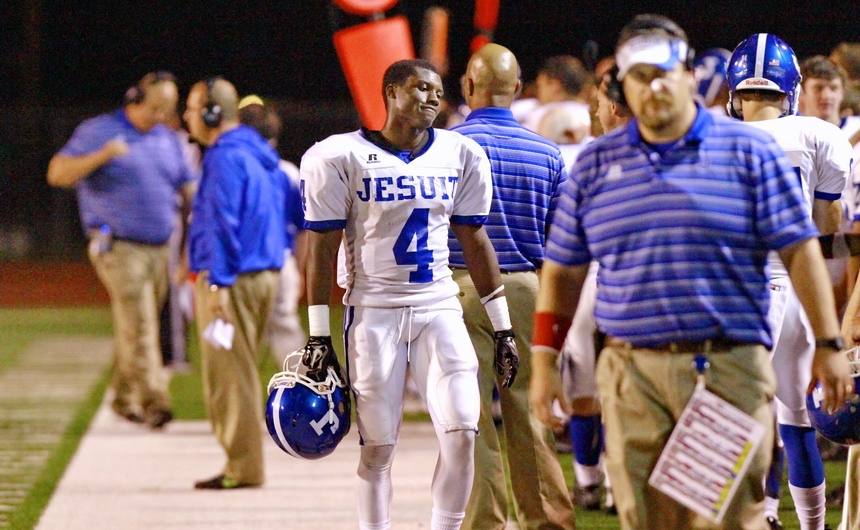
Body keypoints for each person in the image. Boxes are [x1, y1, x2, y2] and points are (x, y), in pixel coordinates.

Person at [529, 13, 854, 530]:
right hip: (632, 369)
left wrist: (830, 342)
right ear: (622, 86)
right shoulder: (596, 165)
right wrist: (545, 359)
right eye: (641, 75)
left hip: (724, 363)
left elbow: (800, 250)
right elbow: (564, 271)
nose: (655, 86)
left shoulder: (746, 150)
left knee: (721, 516)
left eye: (665, 72)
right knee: (647, 518)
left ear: (688, 75)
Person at [300, 58, 517, 530]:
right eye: (420, 88)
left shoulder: (460, 153)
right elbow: (321, 248)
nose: (432, 97)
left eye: (437, 91)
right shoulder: (340, 155)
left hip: (438, 306)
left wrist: (502, 327)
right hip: (373, 311)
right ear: (391, 92)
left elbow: (475, 240)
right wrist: (318, 335)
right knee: (377, 448)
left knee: (462, 432)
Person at [727, 32, 853, 530]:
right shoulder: (820, 134)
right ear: (791, 90)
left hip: (737, 292)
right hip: (798, 291)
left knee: (731, 421)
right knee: (797, 423)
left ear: (735, 92)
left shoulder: (710, 137)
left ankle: (746, 518)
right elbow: (826, 223)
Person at [448, 43, 575, 530]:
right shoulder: (547, 153)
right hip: (524, 286)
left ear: (468, 85)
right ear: (518, 88)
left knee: (470, 416)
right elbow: (561, 240)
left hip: (458, 288)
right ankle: (545, 519)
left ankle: (483, 520)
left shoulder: (446, 148)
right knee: (529, 409)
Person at [47, 71, 195, 429]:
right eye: (155, 107)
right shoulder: (99, 131)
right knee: (141, 325)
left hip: (160, 249)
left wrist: (193, 243)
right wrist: (102, 156)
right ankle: (155, 401)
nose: (161, 116)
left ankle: (122, 395)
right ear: (135, 99)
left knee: (136, 325)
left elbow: (189, 191)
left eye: (168, 109)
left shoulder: (168, 139)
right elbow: (58, 173)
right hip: (118, 247)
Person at [184, 77, 294, 490]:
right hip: (264, 274)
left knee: (230, 377)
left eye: (192, 108)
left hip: (235, 278)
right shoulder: (257, 151)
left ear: (212, 112)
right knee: (242, 371)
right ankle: (244, 464)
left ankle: (243, 467)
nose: (187, 117)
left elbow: (222, 223)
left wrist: (218, 284)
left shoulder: (224, 155)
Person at [555, 62, 632, 514]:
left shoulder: (586, 158)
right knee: (607, 385)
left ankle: (595, 481)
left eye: (601, 101)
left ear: (615, 105)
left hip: (599, 278)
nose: (596, 109)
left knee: (593, 383)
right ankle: (605, 484)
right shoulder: (674, 151)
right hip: (623, 280)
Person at [237, 95, 307, 365]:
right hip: (282, 262)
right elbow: (305, 229)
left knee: (237, 339)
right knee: (286, 330)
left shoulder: (234, 167)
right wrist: (298, 267)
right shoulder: (288, 172)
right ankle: (304, 388)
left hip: (242, 266)